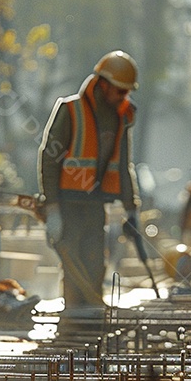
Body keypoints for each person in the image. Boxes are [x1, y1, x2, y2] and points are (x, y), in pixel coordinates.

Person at [37, 50, 140, 309]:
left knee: (95, 263)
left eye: (127, 92)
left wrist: (131, 209)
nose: (123, 97)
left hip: (95, 205)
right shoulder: (70, 110)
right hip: (68, 204)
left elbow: (124, 164)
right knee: (73, 267)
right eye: (119, 91)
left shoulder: (121, 118)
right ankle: (72, 324)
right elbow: (50, 160)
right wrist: (52, 210)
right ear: (103, 84)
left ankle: (92, 323)